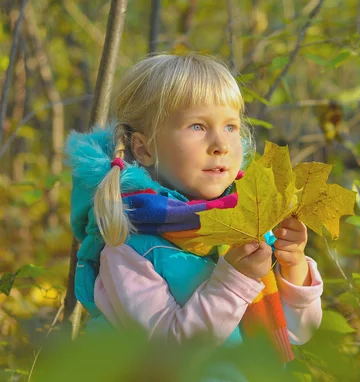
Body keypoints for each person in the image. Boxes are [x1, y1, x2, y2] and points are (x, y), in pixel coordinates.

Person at [64, 53, 323, 376]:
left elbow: (297, 332)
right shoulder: (128, 245)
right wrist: (235, 280)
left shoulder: (244, 226)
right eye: (197, 126)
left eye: (231, 126)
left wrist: (293, 265)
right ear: (144, 149)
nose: (220, 144)